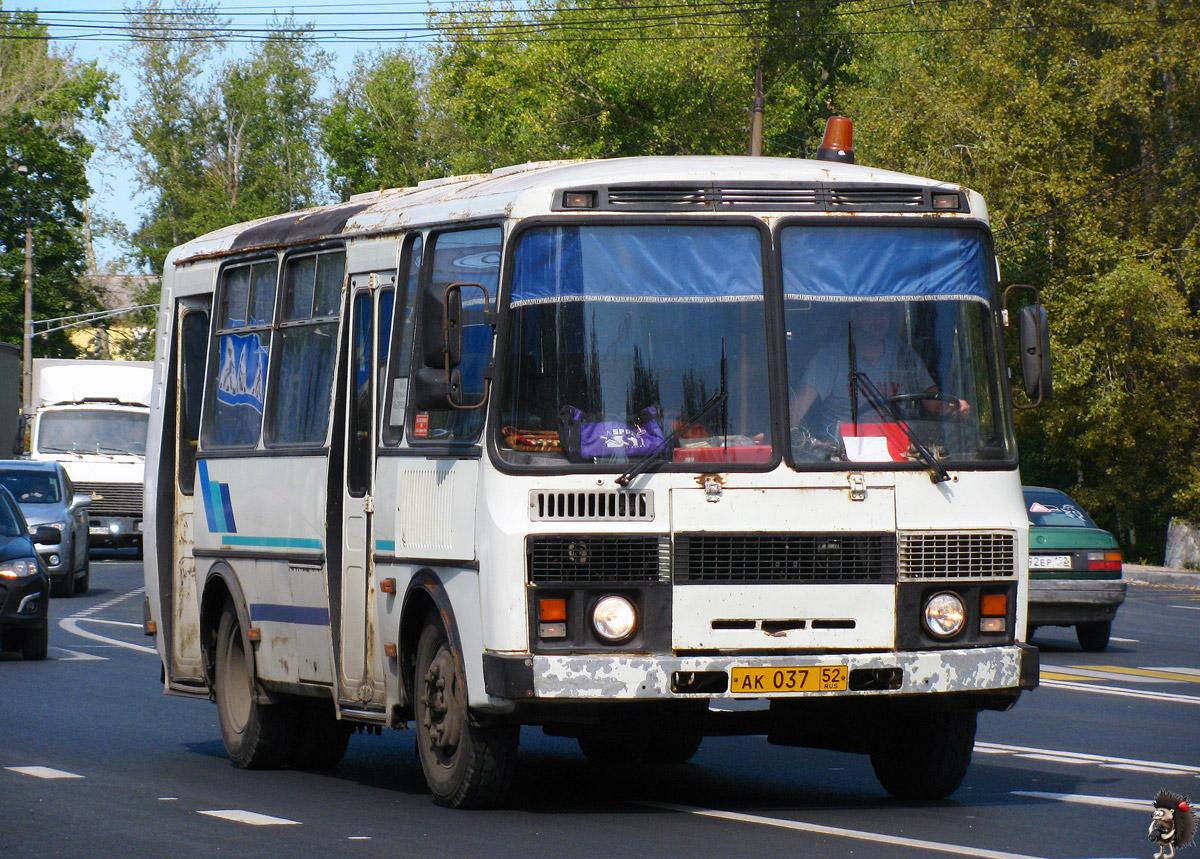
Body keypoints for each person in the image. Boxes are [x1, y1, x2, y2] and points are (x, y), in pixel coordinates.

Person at [790, 302, 969, 435]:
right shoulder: (830, 357)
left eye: (884, 312)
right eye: (871, 312)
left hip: (898, 455)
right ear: (854, 314)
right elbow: (797, 408)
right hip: (841, 458)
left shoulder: (904, 355)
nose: (879, 319)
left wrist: (955, 409)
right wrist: (772, 440)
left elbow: (935, 404)